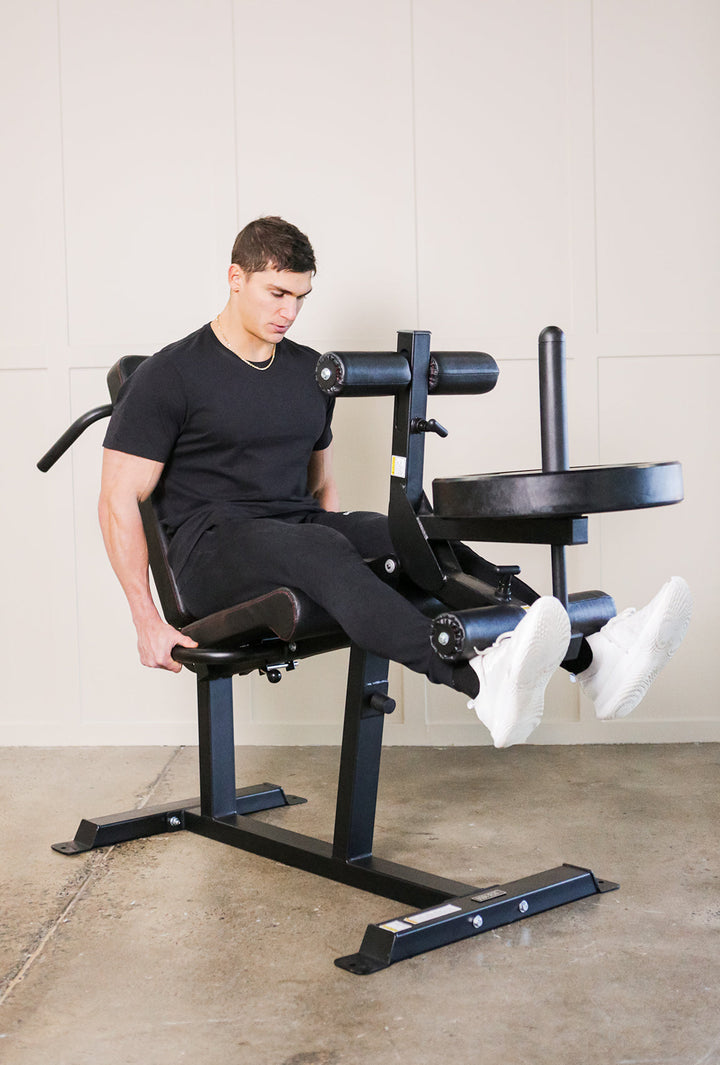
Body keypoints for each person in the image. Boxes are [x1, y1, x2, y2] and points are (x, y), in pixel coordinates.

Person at [99, 216, 692, 749]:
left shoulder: (309, 371)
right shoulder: (169, 375)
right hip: (209, 552)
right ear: (235, 277)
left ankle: (595, 662)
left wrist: (351, 547)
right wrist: (147, 619)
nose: (288, 311)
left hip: (294, 532)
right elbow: (117, 499)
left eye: (300, 298)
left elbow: (317, 485)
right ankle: (478, 681)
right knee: (321, 546)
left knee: (414, 537)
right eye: (276, 293)